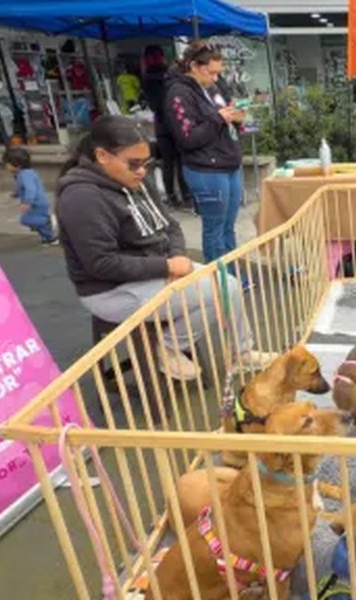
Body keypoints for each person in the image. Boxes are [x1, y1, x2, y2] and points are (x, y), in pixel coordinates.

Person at [55, 116, 270, 381]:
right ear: (102, 155)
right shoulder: (82, 197)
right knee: (215, 292)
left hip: (154, 271)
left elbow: (171, 226)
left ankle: (242, 353)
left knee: (229, 286)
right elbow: (101, 264)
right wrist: (166, 266)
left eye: (146, 163)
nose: (142, 171)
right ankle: (168, 348)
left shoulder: (138, 182)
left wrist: (177, 256)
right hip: (110, 290)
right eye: (133, 164)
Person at [165, 42, 246, 263]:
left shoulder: (213, 88)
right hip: (206, 169)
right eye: (211, 72)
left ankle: (232, 273)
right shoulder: (178, 94)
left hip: (228, 163)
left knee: (228, 227)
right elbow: (188, 138)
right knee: (215, 229)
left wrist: (237, 120)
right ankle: (219, 281)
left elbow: (226, 119)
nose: (215, 78)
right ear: (194, 66)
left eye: (218, 73)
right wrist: (219, 118)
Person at [142, 45, 191, 209]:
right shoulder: (170, 76)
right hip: (175, 122)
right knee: (181, 162)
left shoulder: (147, 78)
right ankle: (186, 195)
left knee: (167, 163)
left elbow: (153, 104)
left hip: (161, 124)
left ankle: (171, 197)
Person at [1, 147, 57, 245]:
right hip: (36, 203)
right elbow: (22, 187)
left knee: (26, 220)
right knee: (34, 224)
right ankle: (50, 237)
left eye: (7, 164)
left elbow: (30, 189)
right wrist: (16, 194)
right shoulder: (22, 174)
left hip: (37, 203)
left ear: (16, 164)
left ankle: (48, 221)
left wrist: (27, 202)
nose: (6, 166)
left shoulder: (25, 174)